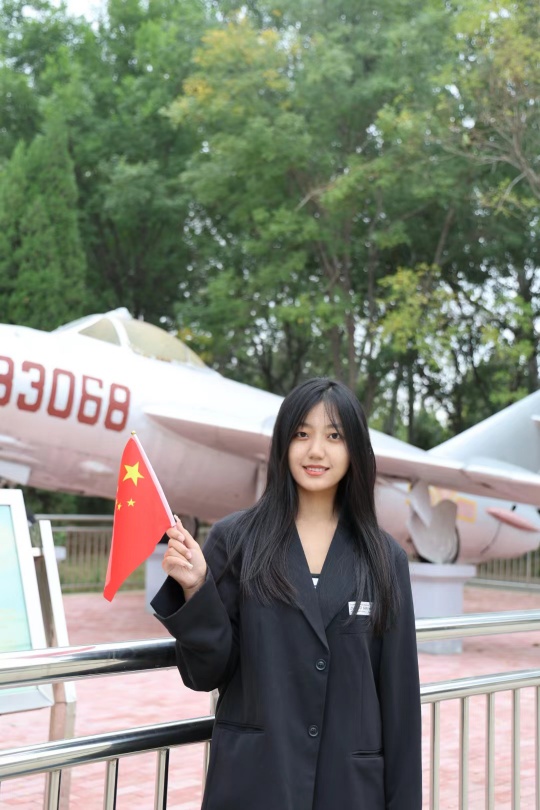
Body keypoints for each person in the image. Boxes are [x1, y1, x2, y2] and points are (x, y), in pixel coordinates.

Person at [151, 377, 422, 810]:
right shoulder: (235, 540)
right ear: (282, 443)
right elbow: (205, 674)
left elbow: (400, 705)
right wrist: (197, 588)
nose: (316, 451)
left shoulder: (385, 558)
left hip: (348, 790)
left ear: (355, 449)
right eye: (301, 434)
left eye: (334, 436)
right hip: (256, 783)